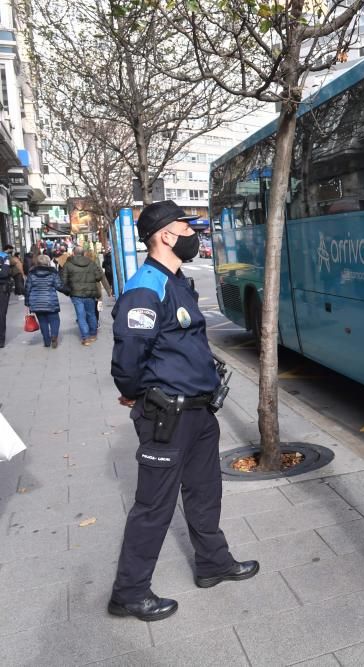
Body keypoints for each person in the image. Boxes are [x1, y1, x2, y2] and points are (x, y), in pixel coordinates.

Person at [107, 200, 257, 623]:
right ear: (166, 235)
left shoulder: (177, 281)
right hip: (166, 417)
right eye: (185, 227)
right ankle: (129, 592)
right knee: (153, 506)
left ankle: (213, 563)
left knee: (205, 492)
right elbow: (128, 356)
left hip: (198, 413)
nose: (193, 234)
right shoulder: (145, 287)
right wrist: (135, 393)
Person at [62, 247, 103, 345]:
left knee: (81, 316)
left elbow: (63, 280)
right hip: (90, 293)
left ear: (73, 253)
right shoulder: (91, 263)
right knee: (91, 314)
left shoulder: (68, 264)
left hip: (76, 294)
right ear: (84, 253)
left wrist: (68, 291)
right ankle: (93, 335)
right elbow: (98, 276)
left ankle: (86, 338)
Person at [24, 253, 63, 348]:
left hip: (36, 302)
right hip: (50, 301)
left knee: (43, 321)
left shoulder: (31, 273)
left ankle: (46, 341)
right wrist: (68, 290)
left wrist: (27, 301)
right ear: (48, 262)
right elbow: (58, 286)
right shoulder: (53, 273)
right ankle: (54, 336)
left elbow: (27, 288)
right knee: (54, 319)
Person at [0, 247, 11, 348]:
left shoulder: (4, 256)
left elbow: (4, 273)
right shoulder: (4, 257)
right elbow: (4, 273)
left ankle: (1, 340)